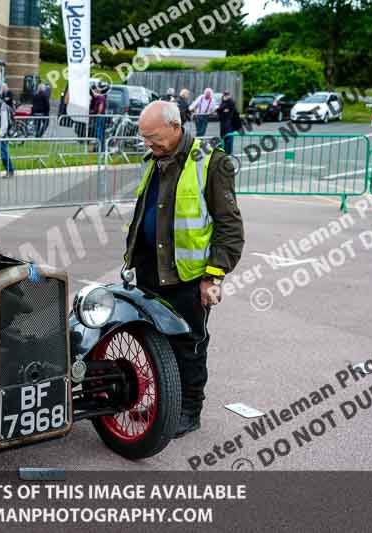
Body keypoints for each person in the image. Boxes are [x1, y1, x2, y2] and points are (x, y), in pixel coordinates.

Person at [126, 100, 244, 437]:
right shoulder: (157, 158)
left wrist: (213, 276)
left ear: (176, 128)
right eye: (144, 137)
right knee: (154, 344)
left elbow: (230, 228)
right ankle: (164, 403)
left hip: (188, 278)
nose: (148, 143)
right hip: (151, 270)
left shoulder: (212, 163)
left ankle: (189, 410)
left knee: (188, 345)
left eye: (153, 137)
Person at [89, 85, 107, 151]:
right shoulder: (97, 98)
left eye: (93, 91)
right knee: (98, 133)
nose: (93, 93)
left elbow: (101, 107)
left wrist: (98, 114)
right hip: (99, 117)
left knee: (99, 134)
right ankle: (98, 148)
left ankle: (101, 149)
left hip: (100, 117)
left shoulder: (101, 98)